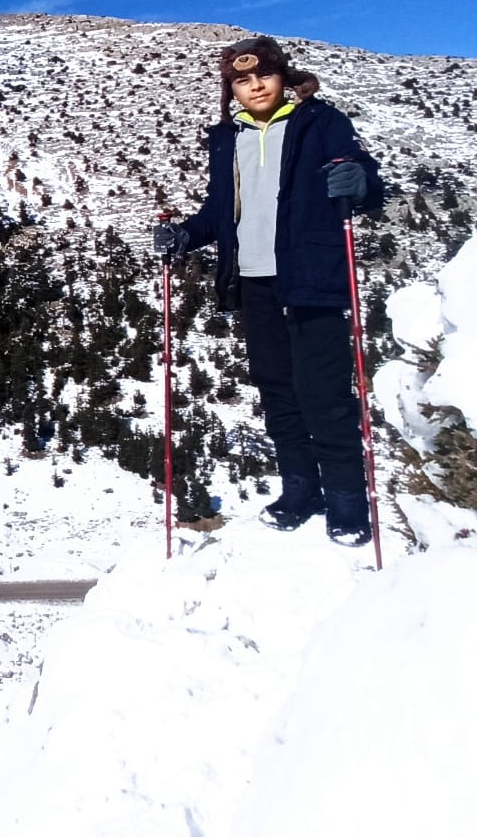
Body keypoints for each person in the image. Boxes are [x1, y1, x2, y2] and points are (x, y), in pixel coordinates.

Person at [152, 35, 384, 546]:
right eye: (241, 80)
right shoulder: (226, 138)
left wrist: (359, 183)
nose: (255, 85)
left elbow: (362, 176)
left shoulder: (320, 122)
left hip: (312, 277)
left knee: (324, 394)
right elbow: (220, 212)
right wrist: (185, 235)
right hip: (253, 279)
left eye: (264, 75)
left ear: (284, 78)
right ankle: (300, 490)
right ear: (230, 90)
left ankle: (348, 501)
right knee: (278, 391)